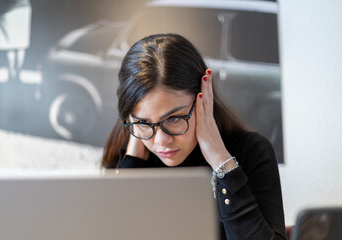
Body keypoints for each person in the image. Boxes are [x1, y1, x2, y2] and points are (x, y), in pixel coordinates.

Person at [102, 33, 287, 240]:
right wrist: (132, 161)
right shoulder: (126, 156)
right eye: (144, 121)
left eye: (173, 119)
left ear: (204, 100)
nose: (161, 141)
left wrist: (222, 163)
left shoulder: (252, 151)